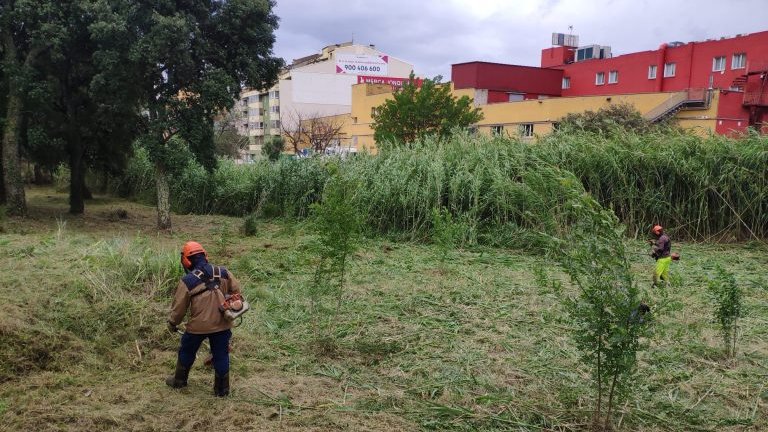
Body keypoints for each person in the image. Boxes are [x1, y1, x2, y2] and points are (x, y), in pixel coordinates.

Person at [166, 241, 241, 396]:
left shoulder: (187, 281)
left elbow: (179, 309)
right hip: (223, 323)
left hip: (197, 327)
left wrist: (173, 323)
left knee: (187, 350)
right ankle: (222, 390)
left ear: (186, 260)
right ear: (205, 255)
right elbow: (236, 293)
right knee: (221, 354)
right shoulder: (223, 272)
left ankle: (179, 381)